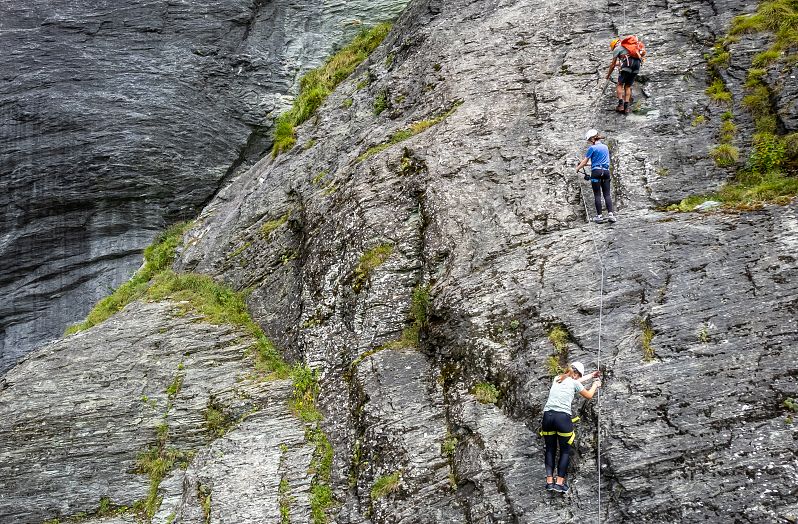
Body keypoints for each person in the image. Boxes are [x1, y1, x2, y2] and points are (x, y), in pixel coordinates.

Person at [541, 361, 601, 494]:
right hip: (562, 418)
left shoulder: (557, 379)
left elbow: (575, 381)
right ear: (576, 374)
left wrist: (591, 375)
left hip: (548, 416)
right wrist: (595, 384)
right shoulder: (575, 382)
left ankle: (549, 482)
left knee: (550, 449)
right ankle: (560, 484)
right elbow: (589, 395)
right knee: (565, 451)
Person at [576, 129, 616, 223]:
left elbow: (585, 161)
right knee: (607, 194)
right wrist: (586, 164)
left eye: (589, 141)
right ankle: (611, 215)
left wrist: (577, 168)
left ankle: (599, 216)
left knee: (597, 195)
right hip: (605, 172)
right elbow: (600, 162)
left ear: (592, 139)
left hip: (596, 173)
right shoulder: (605, 147)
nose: (589, 142)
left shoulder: (592, 148)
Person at [606, 37, 646, 114]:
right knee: (627, 86)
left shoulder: (617, 48)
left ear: (614, 46)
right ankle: (626, 107)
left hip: (628, 63)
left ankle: (621, 105)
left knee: (620, 84)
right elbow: (624, 60)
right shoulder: (630, 47)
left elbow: (613, 64)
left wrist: (608, 75)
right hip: (637, 64)